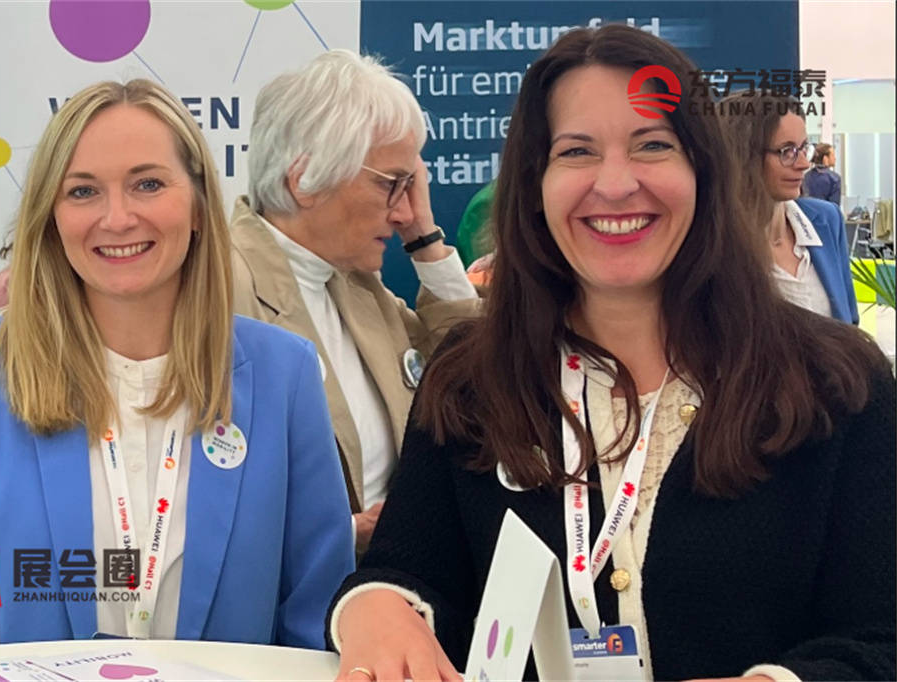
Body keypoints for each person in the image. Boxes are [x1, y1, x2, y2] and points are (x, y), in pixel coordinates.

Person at [327, 25, 895, 682]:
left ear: (704, 170)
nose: (617, 184)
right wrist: (374, 605)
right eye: (577, 151)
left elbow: (881, 637)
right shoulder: (472, 377)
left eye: (653, 145)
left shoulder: (837, 382)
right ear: (535, 184)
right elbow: (407, 570)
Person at [0, 79, 353, 653]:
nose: (117, 218)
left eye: (148, 184)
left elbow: (314, 613)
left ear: (198, 205)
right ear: (51, 217)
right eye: (83, 191)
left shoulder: (284, 375)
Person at [231, 50, 480, 552]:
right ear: (304, 181)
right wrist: (344, 534)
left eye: (411, 185)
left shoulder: (353, 283)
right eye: (391, 184)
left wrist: (425, 238)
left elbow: (469, 373)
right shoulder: (216, 290)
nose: (404, 211)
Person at [721, 93, 858, 324]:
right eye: (787, 151)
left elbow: (849, 324)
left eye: (804, 148)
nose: (803, 164)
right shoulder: (714, 242)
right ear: (742, 156)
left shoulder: (826, 220)